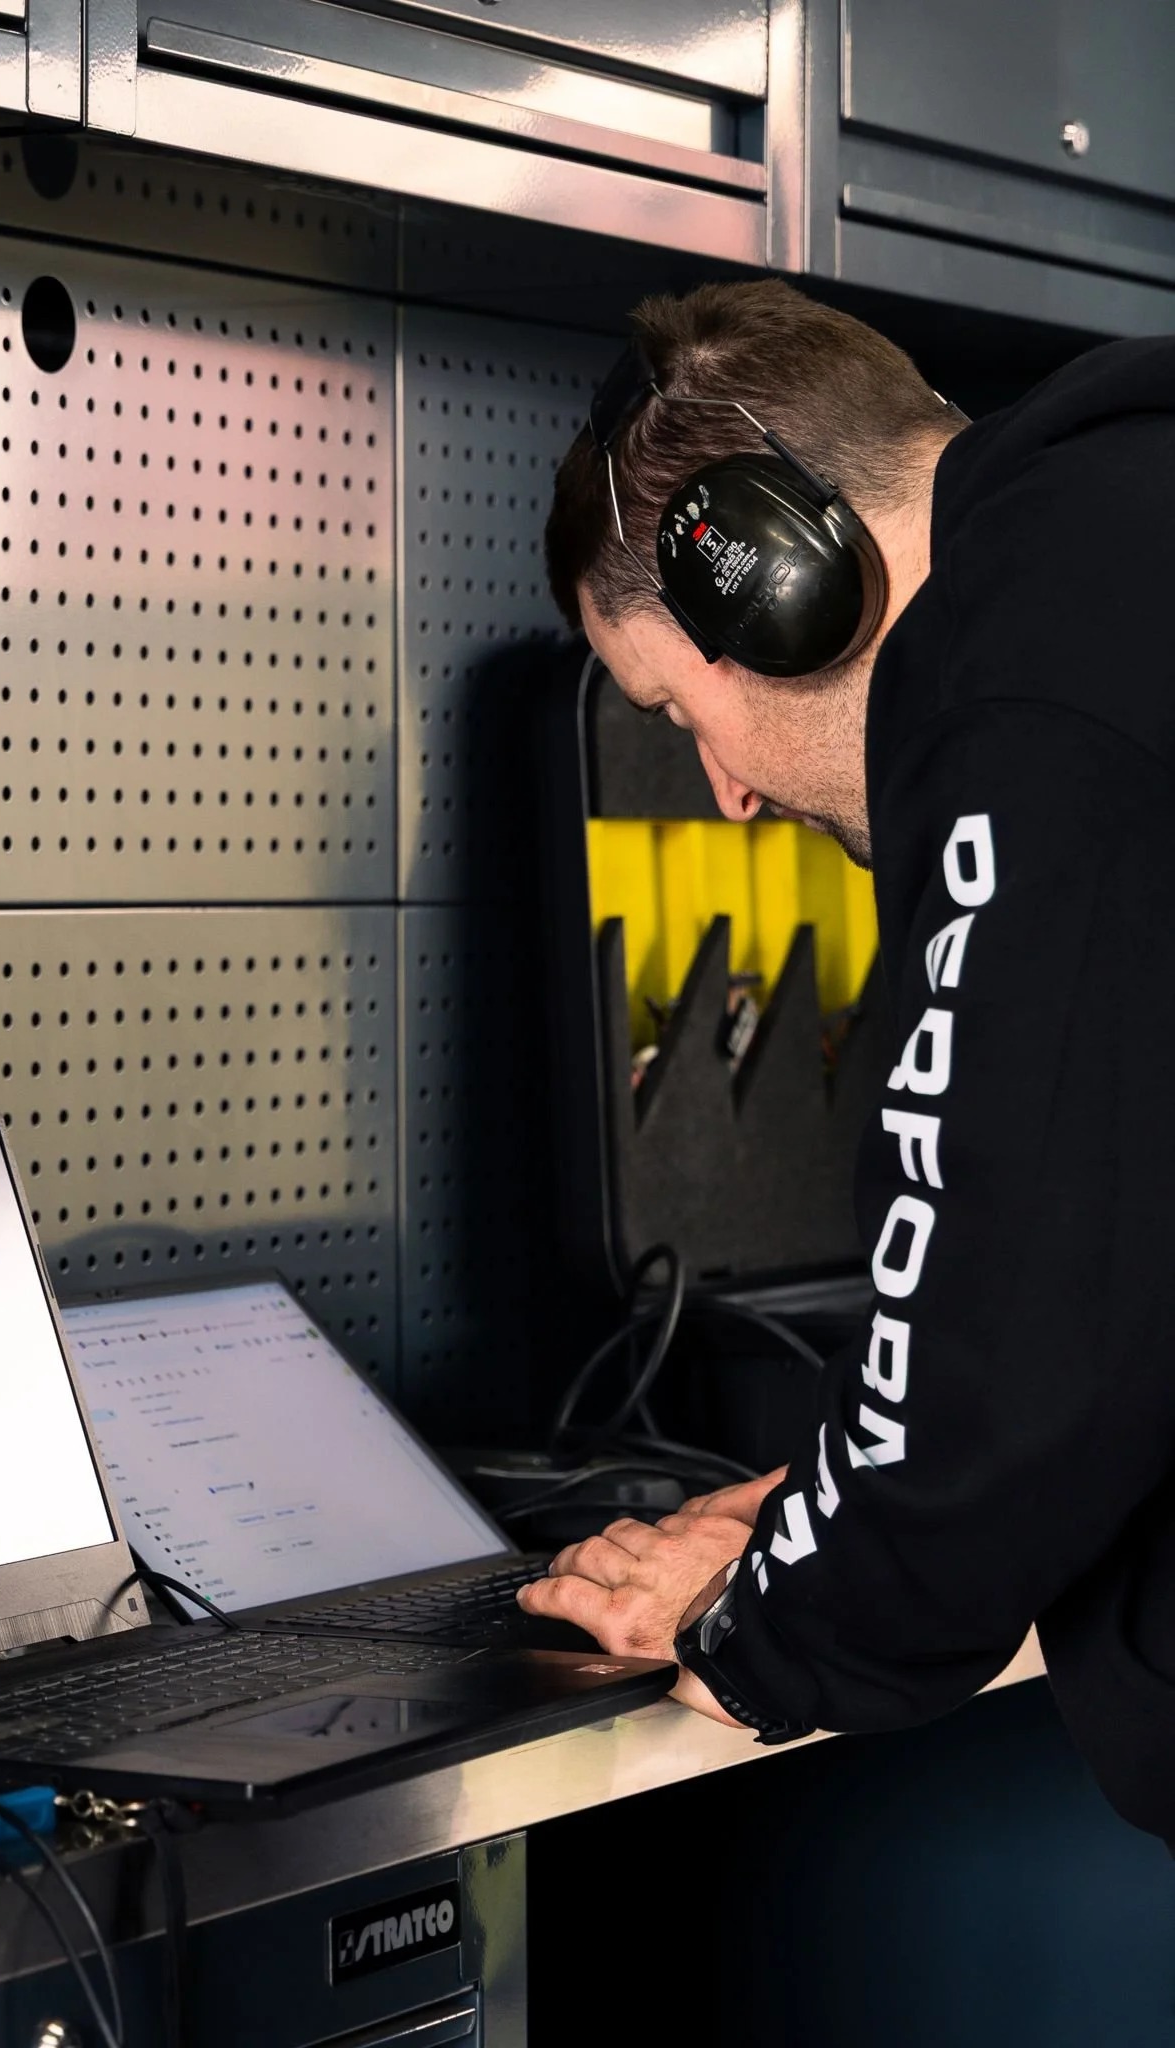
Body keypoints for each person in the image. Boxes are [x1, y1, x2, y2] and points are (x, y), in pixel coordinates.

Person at [521, 276, 1175, 1845]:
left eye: (681, 706)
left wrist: (770, 1620)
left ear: (775, 586)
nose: (724, 795)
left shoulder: (1027, 683)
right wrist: (836, 1502)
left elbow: (1013, 1339)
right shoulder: (1128, 534)